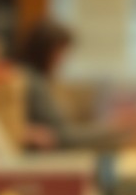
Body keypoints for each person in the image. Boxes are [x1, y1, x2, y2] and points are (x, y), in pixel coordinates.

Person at [15, 19, 121, 150]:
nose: (62, 60)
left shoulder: (31, 77)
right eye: (60, 53)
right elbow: (61, 136)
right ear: (44, 50)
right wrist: (113, 129)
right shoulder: (32, 81)